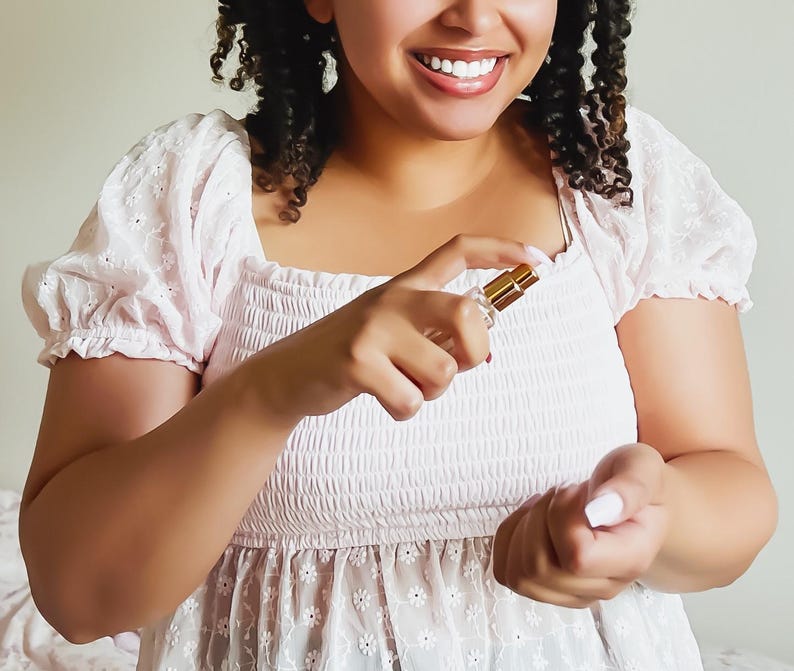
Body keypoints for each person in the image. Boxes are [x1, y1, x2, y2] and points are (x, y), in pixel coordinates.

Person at [18, 1, 778, 669]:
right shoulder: (190, 195)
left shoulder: (617, 177)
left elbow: (731, 489)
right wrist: (273, 390)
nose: (473, 17)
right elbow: (79, 596)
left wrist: (655, 519)